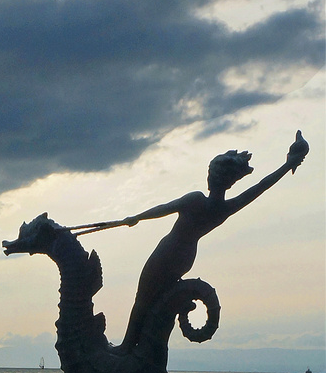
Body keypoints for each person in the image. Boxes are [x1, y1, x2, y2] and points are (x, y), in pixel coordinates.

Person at [117, 131, 308, 343]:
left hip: (167, 252)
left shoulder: (196, 199)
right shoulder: (224, 209)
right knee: (158, 300)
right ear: (231, 181)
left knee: (143, 299)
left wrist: (136, 218)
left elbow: (164, 208)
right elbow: (260, 186)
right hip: (185, 259)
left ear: (212, 177)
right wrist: (288, 164)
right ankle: (140, 344)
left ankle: (127, 345)